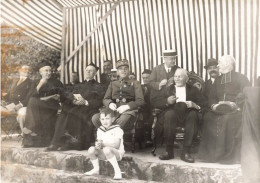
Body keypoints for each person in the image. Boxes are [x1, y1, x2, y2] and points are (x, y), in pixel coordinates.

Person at [199, 55, 251, 164]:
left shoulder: (241, 78)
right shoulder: (218, 80)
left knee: (228, 119)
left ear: (228, 64)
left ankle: (228, 156)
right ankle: (211, 156)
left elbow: (247, 94)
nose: (218, 66)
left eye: (220, 63)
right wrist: (214, 105)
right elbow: (211, 97)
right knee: (208, 117)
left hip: (235, 110)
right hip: (218, 109)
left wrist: (235, 104)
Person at [151, 68, 206, 162]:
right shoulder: (168, 89)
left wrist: (195, 105)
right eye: (175, 76)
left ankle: (185, 152)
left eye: (180, 76)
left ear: (186, 78)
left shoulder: (193, 89)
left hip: (188, 114)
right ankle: (169, 152)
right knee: (169, 114)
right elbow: (155, 102)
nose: (176, 79)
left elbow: (204, 103)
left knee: (193, 115)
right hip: (173, 114)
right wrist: (167, 101)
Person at [46, 63, 104, 151]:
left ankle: (72, 143)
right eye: (87, 70)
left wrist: (86, 102)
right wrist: (73, 101)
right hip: (76, 106)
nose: (88, 72)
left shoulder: (99, 86)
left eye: (91, 71)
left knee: (75, 113)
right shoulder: (78, 85)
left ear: (95, 73)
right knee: (64, 111)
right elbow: (70, 96)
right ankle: (56, 142)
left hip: (89, 108)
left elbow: (99, 101)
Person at [92, 59, 144, 130]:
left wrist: (127, 106)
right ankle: (109, 135)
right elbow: (105, 99)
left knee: (122, 120)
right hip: (113, 110)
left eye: (126, 69)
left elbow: (140, 100)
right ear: (117, 72)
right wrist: (110, 104)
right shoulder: (113, 83)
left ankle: (109, 136)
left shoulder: (135, 83)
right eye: (120, 69)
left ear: (129, 70)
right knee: (95, 118)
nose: (123, 71)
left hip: (128, 111)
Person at [22, 62, 63, 147]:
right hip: (39, 108)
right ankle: (31, 138)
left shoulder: (57, 82)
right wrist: (41, 83)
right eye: (46, 71)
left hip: (52, 107)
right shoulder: (36, 82)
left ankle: (30, 127)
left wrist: (56, 97)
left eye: (50, 70)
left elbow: (62, 95)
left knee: (33, 100)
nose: (48, 72)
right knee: (32, 100)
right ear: (41, 73)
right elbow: (28, 97)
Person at [85, 107, 124, 180]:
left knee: (107, 149)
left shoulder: (117, 129)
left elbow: (117, 145)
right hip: (105, 153)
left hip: (117, 154)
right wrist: (98, 145)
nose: (105, 121)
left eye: (107, 119)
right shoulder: (100, 129)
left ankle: (117, 171)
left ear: (112, 119)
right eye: (102, 119)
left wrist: (104, 145)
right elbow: (100, 142)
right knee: (91, 149)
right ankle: (96, 169)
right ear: (100, 120)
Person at [1, 65, 34, 133]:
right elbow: (9, 95)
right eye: (25, 69)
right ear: (20, 71)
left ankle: (24, 134)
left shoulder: (31, 83)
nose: (27, 71)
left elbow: (30, 97)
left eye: (28, 70)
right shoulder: (15, 81)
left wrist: (19, 105)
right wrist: (3, 98)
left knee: (22, 114)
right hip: (11, 105)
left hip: (23, 106)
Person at [141, 69, 153, 145]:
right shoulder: (140, 87)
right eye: (143, 78)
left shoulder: (154, 87)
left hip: (152, 108)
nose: (145, 79)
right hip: (143, 109)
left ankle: (149, 138)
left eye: (147, 77)